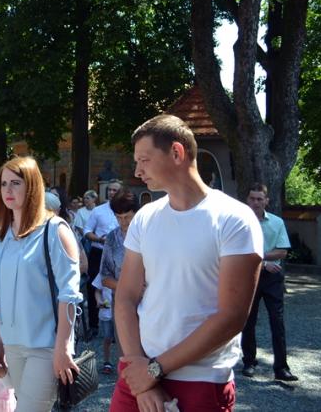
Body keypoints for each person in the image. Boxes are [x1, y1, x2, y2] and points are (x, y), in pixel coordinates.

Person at [110, 115, 263, 412]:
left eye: (144, 160)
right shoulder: (145, 217)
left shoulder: (234, 219)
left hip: (200, 379)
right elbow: (126, 296)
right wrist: (142, 372)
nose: (137, 171)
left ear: (177, 153)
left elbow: (231, 316)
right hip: (139, 373)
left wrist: (154, 370)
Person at [0, 156, 83, 411]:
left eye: (15, 183)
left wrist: (63, 348)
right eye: (3, 183)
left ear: (32, 186)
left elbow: (69, 295)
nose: (7, 190)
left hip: (46, 346)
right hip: (13, 345)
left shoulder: (55, 229)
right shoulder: (2, 235)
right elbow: (2, 296)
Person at [241, 183, 298, 381]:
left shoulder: (277, 222)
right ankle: (249, 362)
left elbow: (282, 252)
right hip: (249, 275)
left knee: (277, 321)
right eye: (252, 198)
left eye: (259, 199)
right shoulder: (240, 222)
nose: (255, 202)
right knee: (249, 320)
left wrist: (258, 256)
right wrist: (265, 262)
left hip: (272, 278)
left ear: (266, 201)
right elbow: (239, 253)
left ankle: (281, 368)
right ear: (247, 200)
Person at [98, 185, 138, 375]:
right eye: (119, 218)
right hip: (122, 302)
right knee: (126, 354)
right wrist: (128, 287)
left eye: (127, 217)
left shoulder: (149, 234)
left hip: (151, 303)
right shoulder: (112, 238)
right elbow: (104, 276)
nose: (123, 222)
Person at [84, 180, 121, 337]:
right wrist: (99, 239)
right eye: (110, 190)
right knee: (93, 286)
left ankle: (116, 326)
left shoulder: (125, 210)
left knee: (117, 286)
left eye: (115, 190)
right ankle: (93, 325)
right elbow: (87, 231)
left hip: (118, 254)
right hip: (98, 252)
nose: (111, 192)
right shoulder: (98, 211)